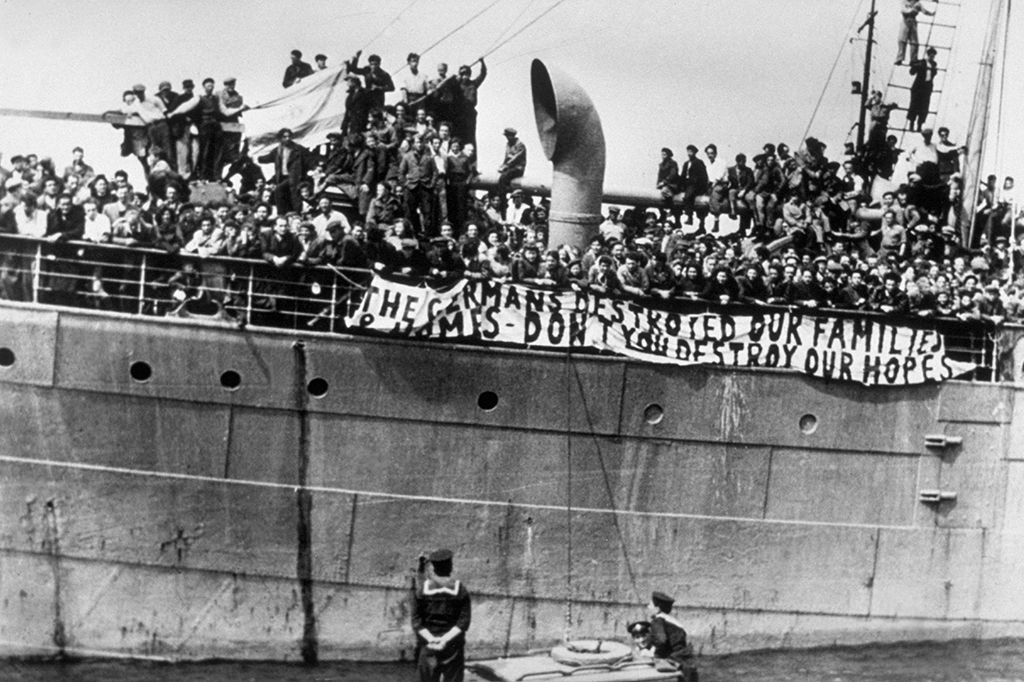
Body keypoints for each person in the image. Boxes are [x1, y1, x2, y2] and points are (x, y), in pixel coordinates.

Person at [412, 546, 471, 682]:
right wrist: (444, 640)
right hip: (453, 647)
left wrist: (432, 639)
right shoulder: (461, 590)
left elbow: (416, 621)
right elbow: (463, 622)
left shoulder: (422, 590)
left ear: (433, 567)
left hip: (429, 646)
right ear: (450, 566)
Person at [258, 128, 315, 216]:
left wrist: (315, 167)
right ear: (280, 138)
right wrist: (259, 159)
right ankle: (286, 213)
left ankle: (284, 213)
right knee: (284, 194)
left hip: (294, 176)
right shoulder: (278, 150)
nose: (287, 139)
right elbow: (268, 157)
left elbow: (309, 158)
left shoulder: (298, 149)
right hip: (281, 177)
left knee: (281, 190)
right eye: (284, 137)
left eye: (289, 136)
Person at [646, 591, 697, 682]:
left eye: (650, 605)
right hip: (687, 663)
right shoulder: (673, 622)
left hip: (675, 664)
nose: (648, 607)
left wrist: (651, 653)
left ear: (657, 609)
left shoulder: (658, 621)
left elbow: (661, 641)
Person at [496, 127, 526, 217]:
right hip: (510, 167)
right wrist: (502, 165)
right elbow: (506, 157)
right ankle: (502, 200)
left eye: (508, 136)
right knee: (502, 177)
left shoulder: (520, 145)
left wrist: (506, 166)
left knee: (504, 177)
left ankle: (504, 202)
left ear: (512, 136)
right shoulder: (508, 144)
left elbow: (516, 158)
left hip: (518, 168)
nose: (507, 138)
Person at [906, 47, 938, 132]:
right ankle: (911, 124)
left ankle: (919, 125)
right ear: (928, 55)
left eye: (933, 56)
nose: (932, 57)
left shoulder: (934, 65)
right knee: (914, 105)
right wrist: (915, 65)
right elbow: (912, 72)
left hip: (927, 88)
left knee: (924, 107)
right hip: (918, 87)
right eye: (931, 55)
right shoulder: (921, 62)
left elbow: (933, 74)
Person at [455, 59, 487, 146]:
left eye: (467, 74)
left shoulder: (473, 84)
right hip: (460, 112)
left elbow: (483, 74)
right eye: (463, 75)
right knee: (460, 134)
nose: (466, 76)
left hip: (471, 112)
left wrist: (482, 63)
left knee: (471, 134)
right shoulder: (457, 85)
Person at [896, 0, 936, 65]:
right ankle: (899, 58)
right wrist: (912, 10)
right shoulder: (905, 2)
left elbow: (924, 11)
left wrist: (931, 14)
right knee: (902, 40)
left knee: (914, 42)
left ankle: (913, 59)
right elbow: (903, 10)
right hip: (905, 21)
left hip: (913, 21)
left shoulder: (918, 4)